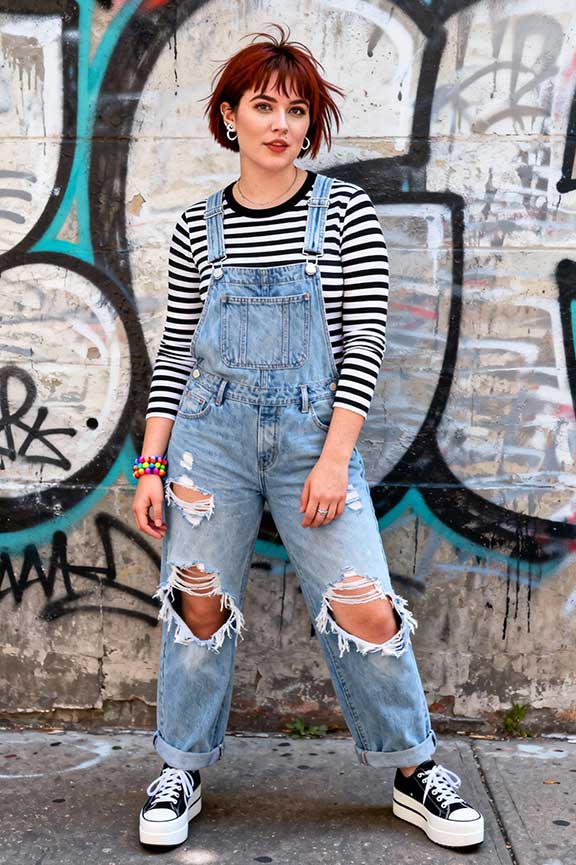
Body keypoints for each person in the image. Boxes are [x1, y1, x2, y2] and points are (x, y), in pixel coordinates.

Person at [132, 23, 484, 851]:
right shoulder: (196, 227)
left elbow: (366, 340)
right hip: (206, 442)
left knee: (365, 608)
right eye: (262, 105)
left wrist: (333, 457)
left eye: (297, 109)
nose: (280, 122)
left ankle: (413, 768)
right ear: (228, 117)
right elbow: (177, 348)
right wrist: (150, 461)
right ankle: (180, 766)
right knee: (198, 608)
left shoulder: (344, 213)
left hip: (310, 441)